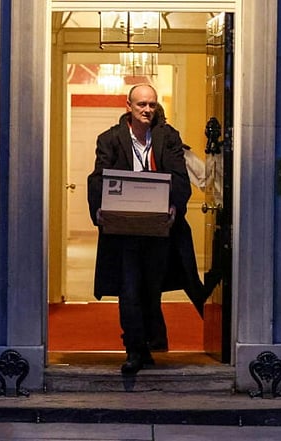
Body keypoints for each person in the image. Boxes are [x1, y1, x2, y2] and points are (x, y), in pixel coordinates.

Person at [87, 84, 192, 375]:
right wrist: (99, 210)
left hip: (158, 230)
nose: (147, 110)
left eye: (151, 105)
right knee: (129, 289)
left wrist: (175, 206)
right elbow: (98, 177)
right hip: (124, 232)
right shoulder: (109, 139)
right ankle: (133, 349)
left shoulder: (168, 137)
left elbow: (179, 177)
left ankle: (147, 344)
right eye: (141, 105)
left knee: (151, 290)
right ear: (129, 107)